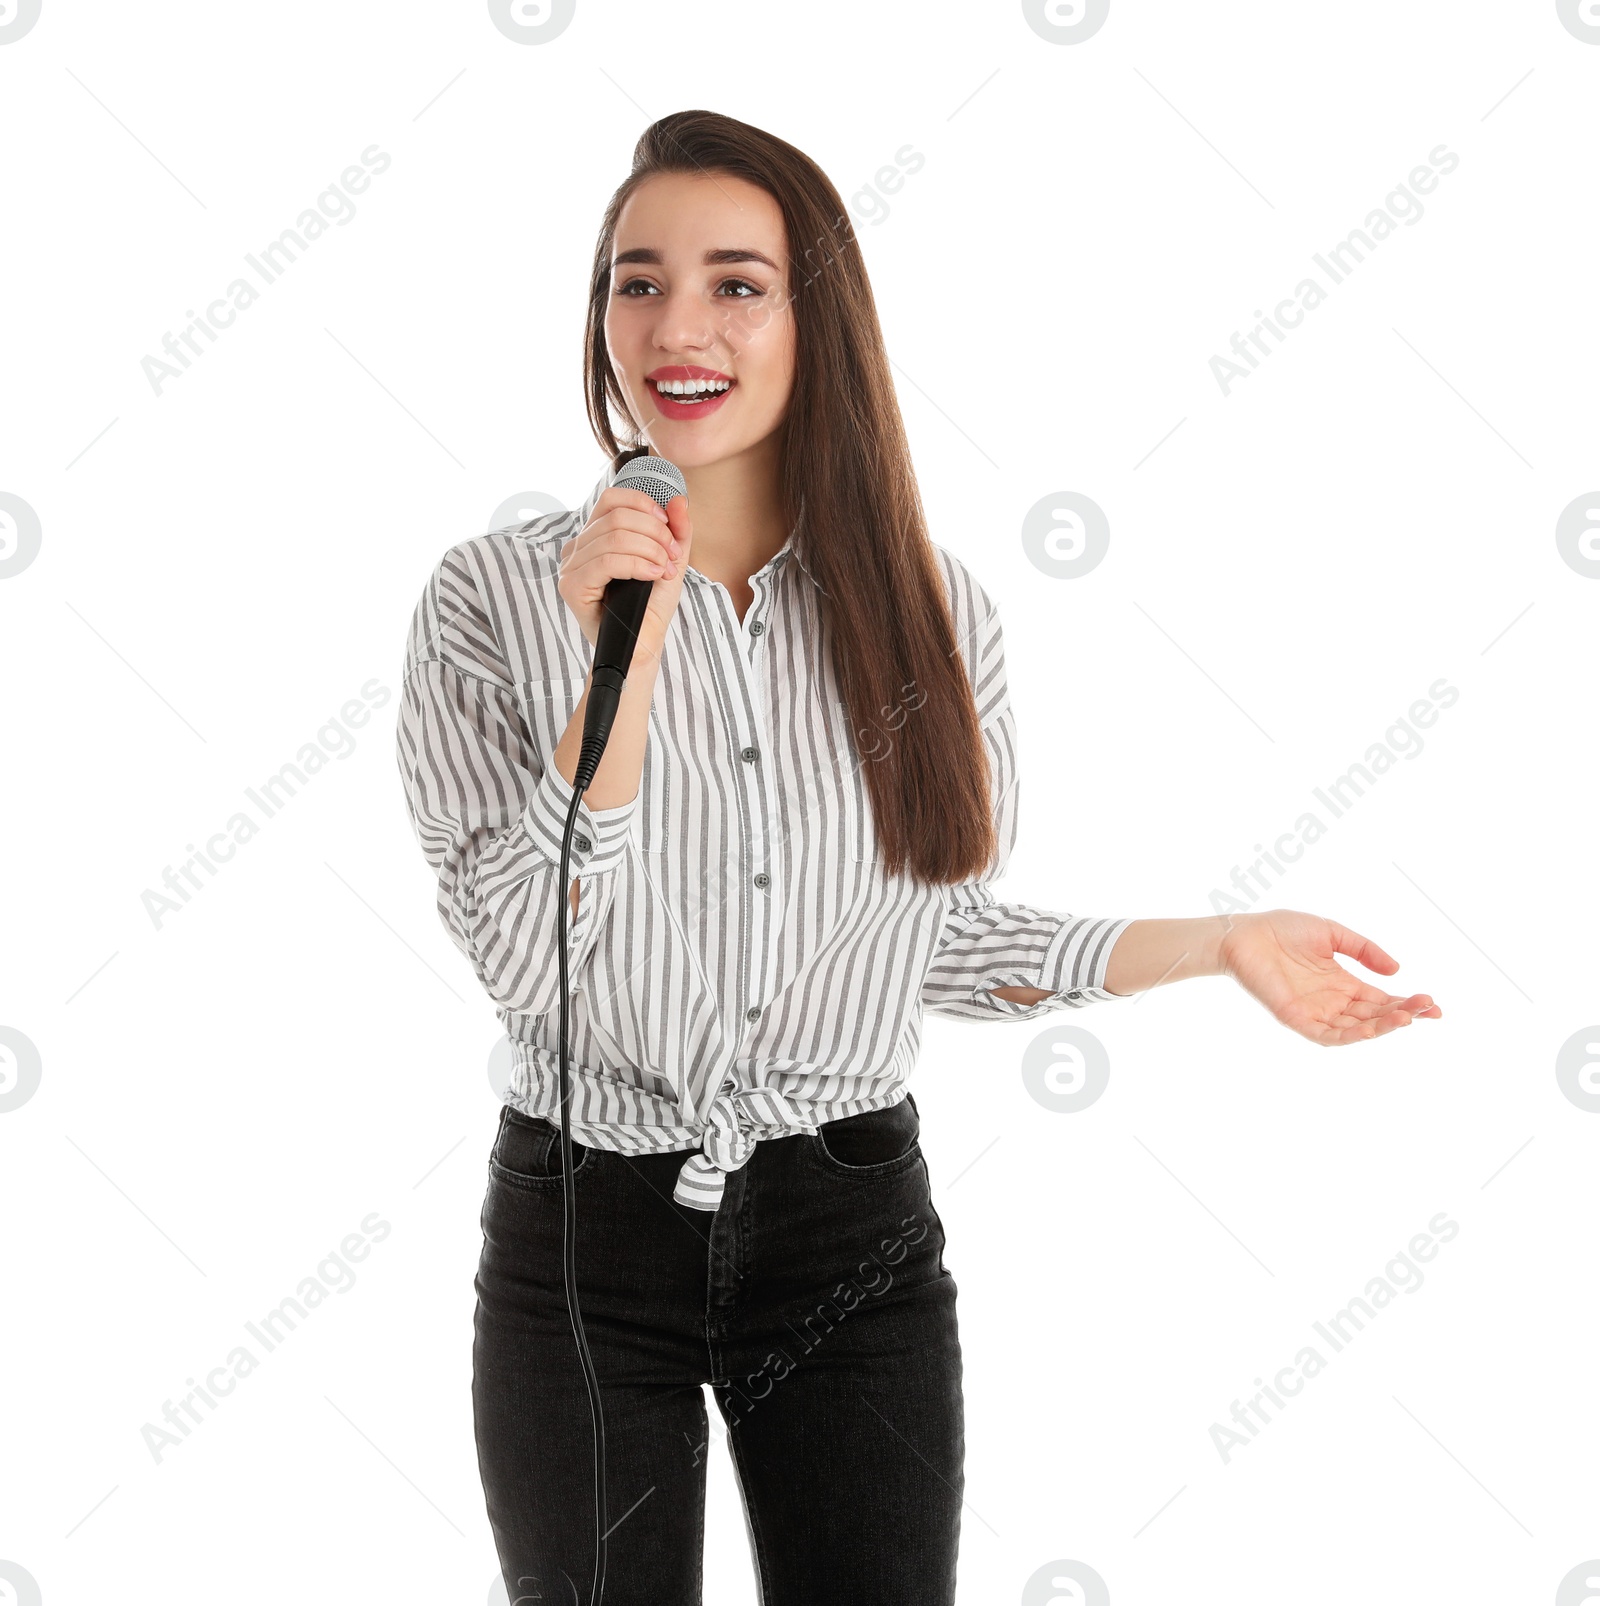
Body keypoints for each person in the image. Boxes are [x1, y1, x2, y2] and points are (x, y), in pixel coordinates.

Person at [394, 109, 1441, 1606]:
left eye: (736, 283)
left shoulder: (930, 613)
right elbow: (521, 953)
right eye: (638, 281)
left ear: (818, 319)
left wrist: (1214, 943)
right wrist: (611, 674)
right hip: (583, 1235)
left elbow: (932, 941)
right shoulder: (490, 600)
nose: (677, 324)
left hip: (847, 1226)